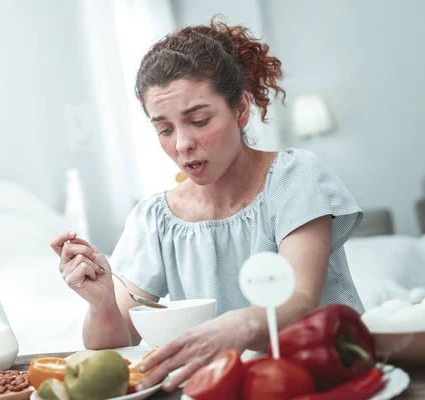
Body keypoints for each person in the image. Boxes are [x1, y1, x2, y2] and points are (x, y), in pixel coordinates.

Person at [50, 18, 364, 393]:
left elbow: (299, 298)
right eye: (164, 129)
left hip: (330, 378)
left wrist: (234, 327)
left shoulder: (295, 178)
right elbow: (115, 346)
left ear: (241, 109)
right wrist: (101, 305)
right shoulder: (156, 219)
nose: (182, 144)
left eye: (198, 120)